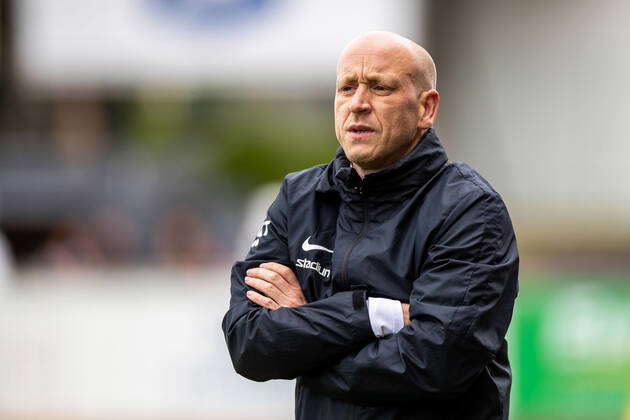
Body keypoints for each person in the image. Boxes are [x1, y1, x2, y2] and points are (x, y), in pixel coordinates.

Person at [222, 31, 518, 420]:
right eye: (347, 88)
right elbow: (249, 343)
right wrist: (374, 315)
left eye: (380, 87)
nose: (358, 104)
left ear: (426, 109)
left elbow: (432, 363)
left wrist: (304, 330)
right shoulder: (299, 197)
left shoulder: (469, 209)